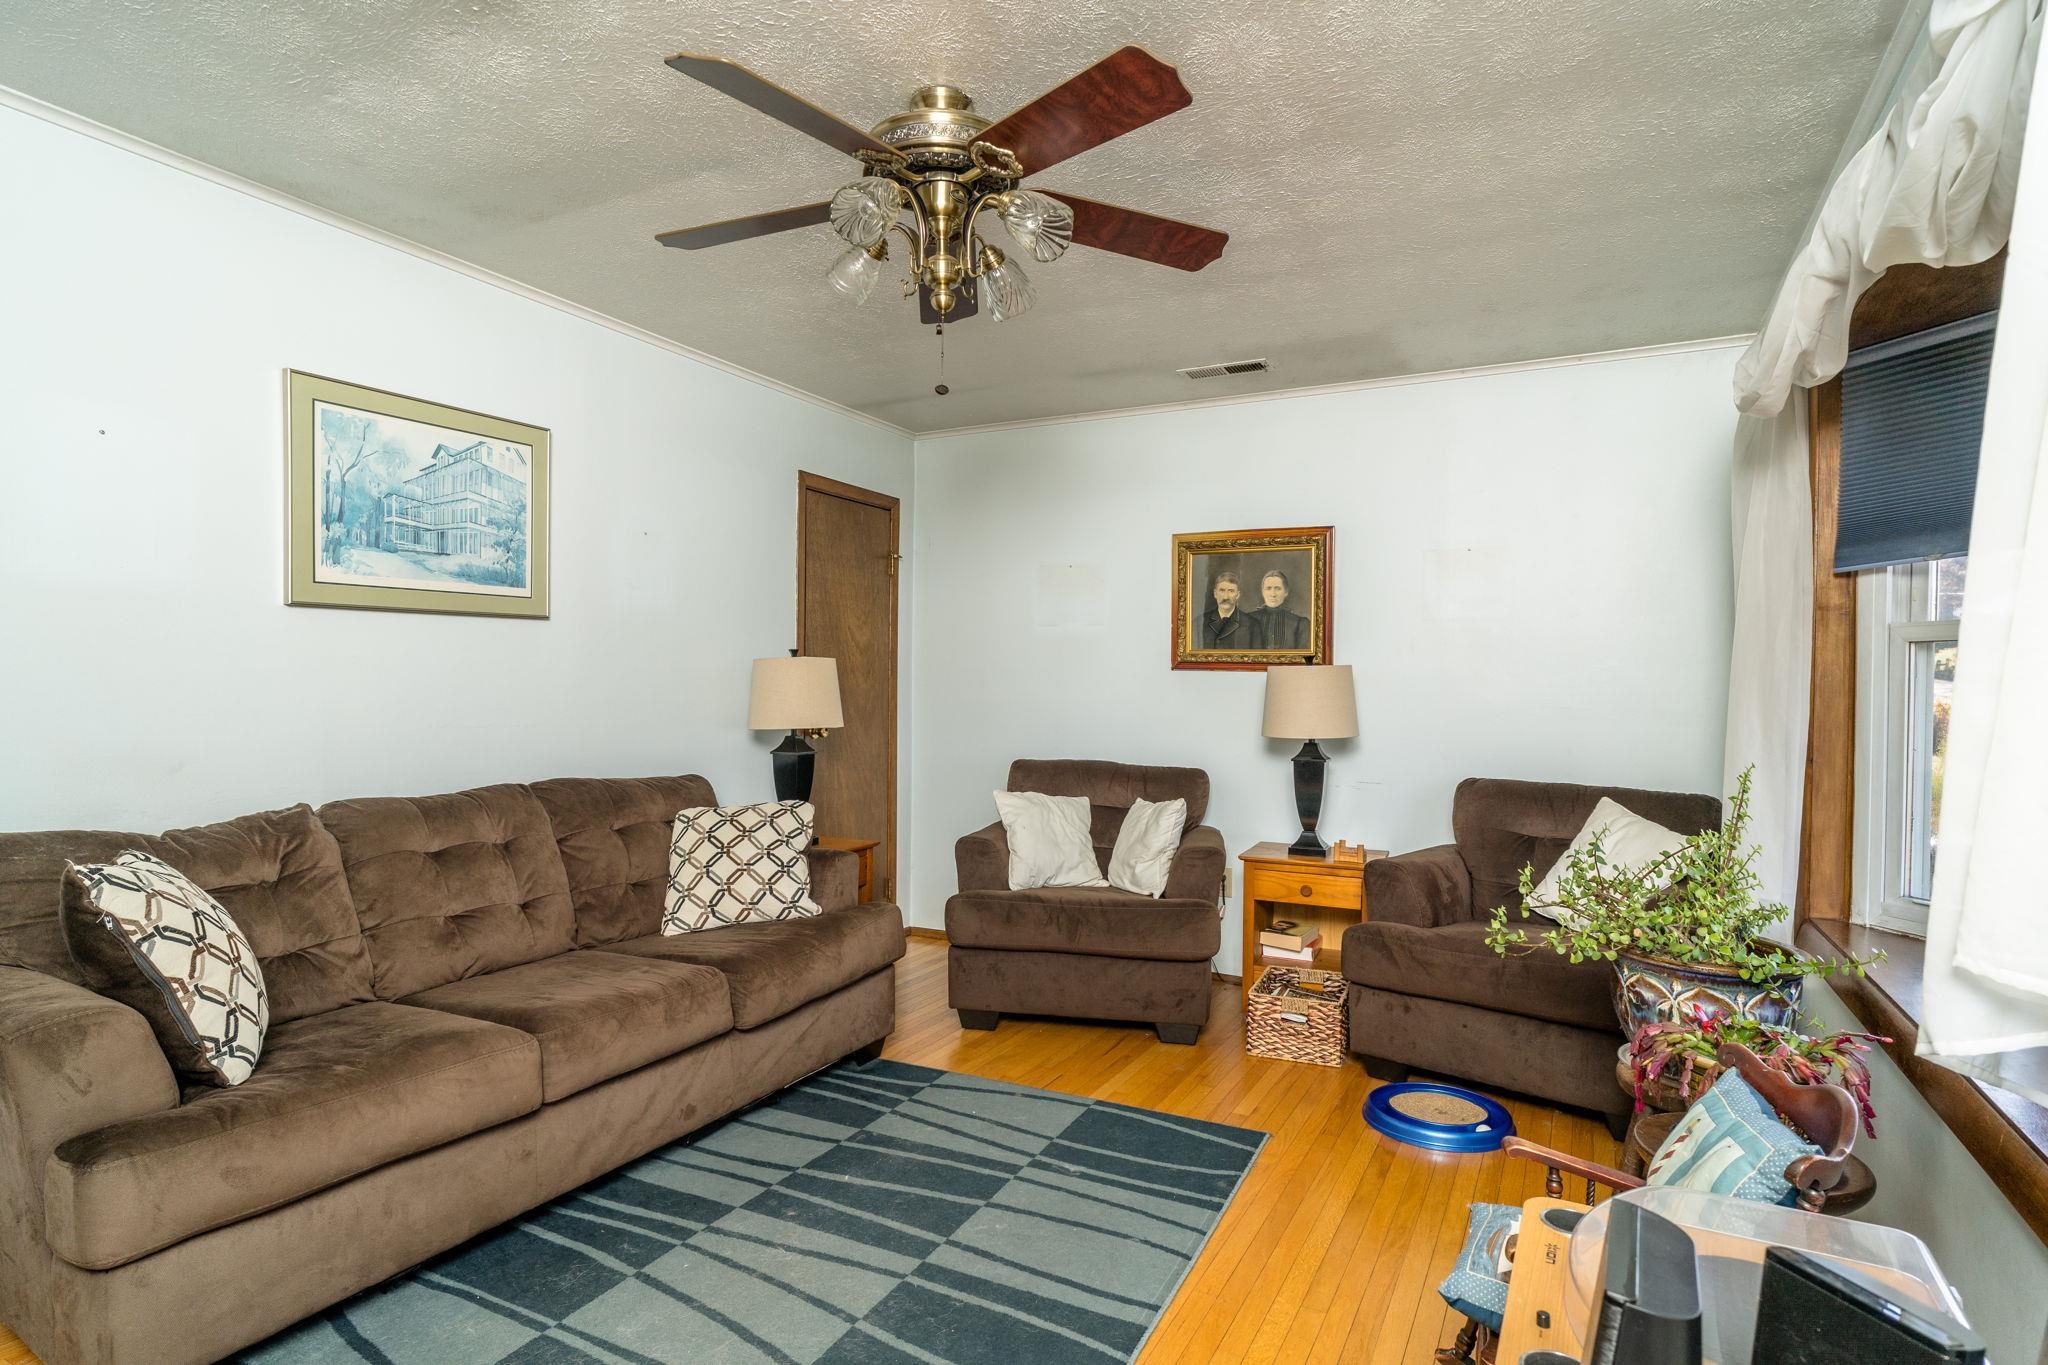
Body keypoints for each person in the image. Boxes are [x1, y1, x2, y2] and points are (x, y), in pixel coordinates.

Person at [1248, 568, 1310, 650]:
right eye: (1268, 588)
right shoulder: (1247, 620)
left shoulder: (1299, 624)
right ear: (1263, 592)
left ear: (1286, 592)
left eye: (1277, 588)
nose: (1273, 594)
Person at [1201, 570, 1258, 647]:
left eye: (1231, 591)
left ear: (1237, 595)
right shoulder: (1200, 622)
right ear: (1215, 593)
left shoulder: (1252, 625)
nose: (1226, 597)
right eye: (1222, 590)